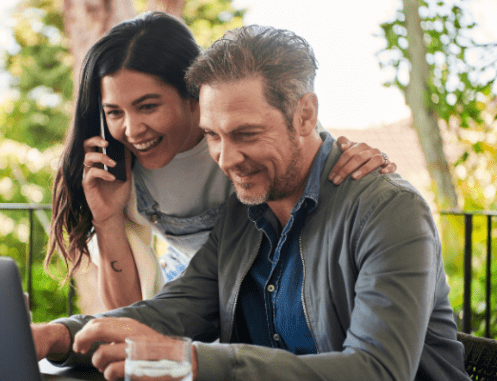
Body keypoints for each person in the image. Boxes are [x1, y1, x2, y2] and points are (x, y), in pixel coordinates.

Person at [32, 24, 470, 381]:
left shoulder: (388, 211)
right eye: (212, 136)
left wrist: (193, 362)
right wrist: (57, 336)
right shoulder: (242, 213)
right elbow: (172, 310)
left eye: (246, 134)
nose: (227, 159)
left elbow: (378, 370)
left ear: (305, 115)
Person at [47, 12, 397, 310]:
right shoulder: (118, 173)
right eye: (114, 112)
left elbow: (319, 159)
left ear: (192, 95)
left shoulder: (248, 125)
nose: (132, 129)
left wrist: (361, 161)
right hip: (194, 296)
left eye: (148, 106)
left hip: (276, 292)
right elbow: (125, 314)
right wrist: (107, 219)